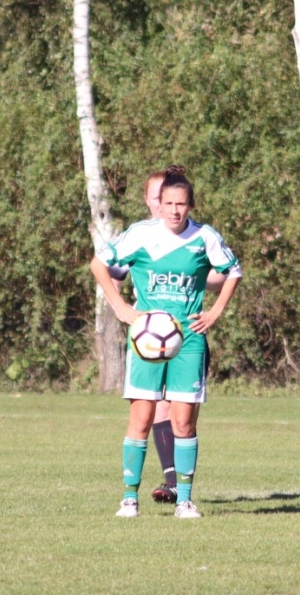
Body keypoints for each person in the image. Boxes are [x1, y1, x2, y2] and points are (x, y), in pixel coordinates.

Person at [91, 165, 242, 519]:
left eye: (182, 204)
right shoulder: (140, 234)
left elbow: (234, 271)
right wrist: (122, 308)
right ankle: (129, 499)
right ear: (158, 203)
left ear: (190, 205)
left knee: (184, 422)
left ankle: (185, 501)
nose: (175, 210)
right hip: (146, 340)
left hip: (188, 341)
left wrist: (216, 311)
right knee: (141, 418)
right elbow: (99, 264)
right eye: (169, 203)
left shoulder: (204, 237)